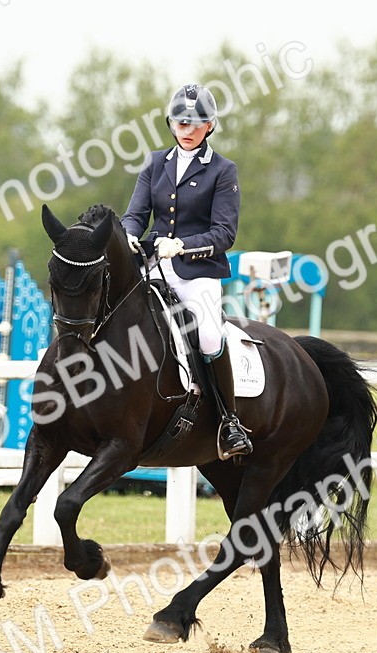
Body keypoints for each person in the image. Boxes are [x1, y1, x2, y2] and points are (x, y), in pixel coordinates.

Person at [121, 82, 252, 460]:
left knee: (210, 336)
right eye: (181, 122)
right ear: (171, 123)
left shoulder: (223, 171)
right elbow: (136, 214)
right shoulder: (154, 163)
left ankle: (229, 423)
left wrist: (183, 245)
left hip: (198, 272)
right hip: (153, 267)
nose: (189, 129)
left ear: (210, 126)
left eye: (197, 123)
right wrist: (130, 235)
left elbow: (224, 233)